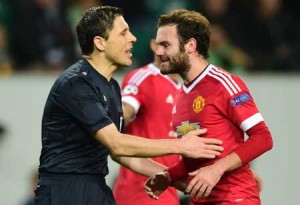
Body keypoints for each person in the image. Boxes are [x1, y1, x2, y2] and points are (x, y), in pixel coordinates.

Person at [34, 6, 224, 205]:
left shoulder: (112, 86)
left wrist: (180, 181)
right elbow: (116, 142)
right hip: (64, 191)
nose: (133, 38)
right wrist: (181, 145)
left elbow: (121, 154)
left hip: (96, 187)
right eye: (124, 32)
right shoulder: (76, 83)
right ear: (100, 43)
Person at [144, 9, 273, 205]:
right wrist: (169, 175)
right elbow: (196, 158)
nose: (158, 52)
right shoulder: (180, 94)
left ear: (190, 45)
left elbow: (263, 138)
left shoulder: (223, 83)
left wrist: (217, 169)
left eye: (165, 45)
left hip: (235, 198)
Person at [113, 38, 182, 205]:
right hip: (140, 192)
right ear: (153, 45)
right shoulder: (143, 77)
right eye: (164, 44)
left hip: (169, 191)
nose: (168, 50)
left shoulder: (184, 90)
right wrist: (116, 118)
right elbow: (125, 110)